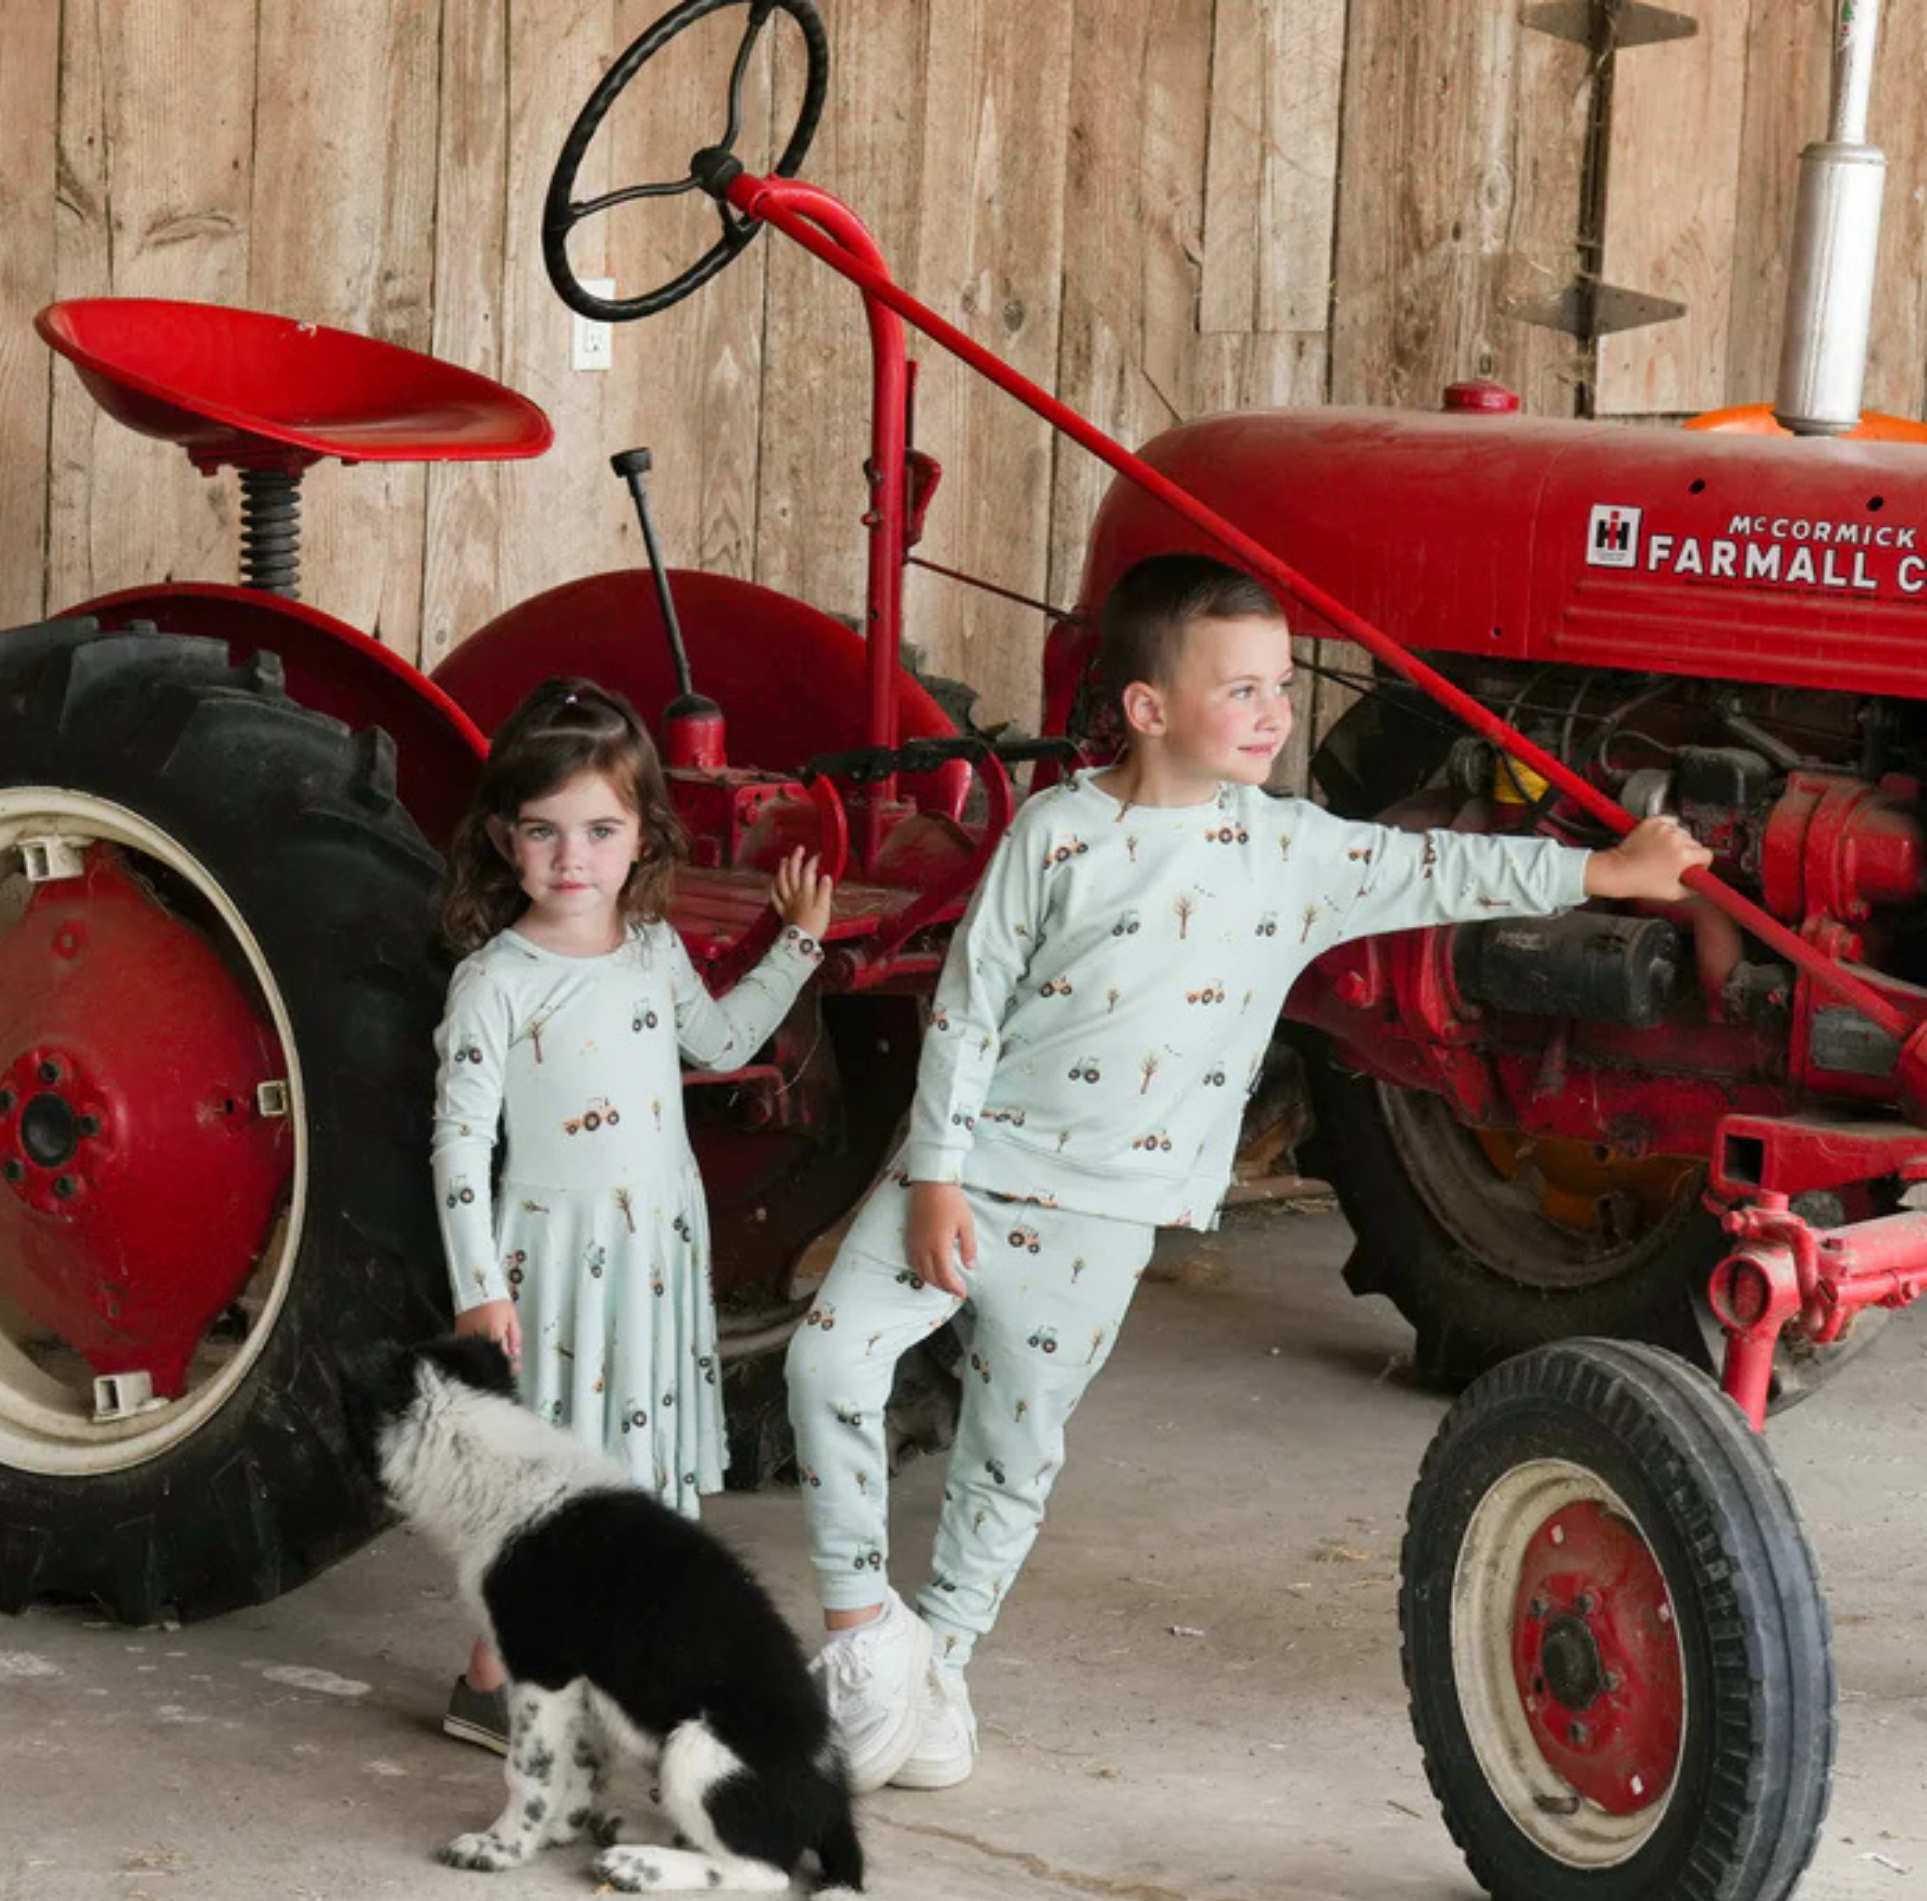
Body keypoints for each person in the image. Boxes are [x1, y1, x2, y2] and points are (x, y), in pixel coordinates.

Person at [785, 552, 1712, 1792]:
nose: (1275, 713)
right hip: (967, 1174)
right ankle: (861, 1639)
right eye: (1243, 689)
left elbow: (1438, 872)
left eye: (1280, 686)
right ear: (1147, 707)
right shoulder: (1056, 832)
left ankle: (941, 1660)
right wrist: (938, 1173)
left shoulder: (1290, 850)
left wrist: (1598, 873)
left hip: (1108, 1212)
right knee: (825, 1360)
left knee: (1014, 1445)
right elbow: (965, 1007)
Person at [431, 676, 833, 1749]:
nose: (574, 857)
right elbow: (460, 1140)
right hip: (552, 1262)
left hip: (652, 1252)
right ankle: (501, 1674)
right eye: (544, 830)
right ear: (503, 840)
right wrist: (479, 1285)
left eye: (600, 828)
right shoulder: (495, 980)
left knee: (638, 1462)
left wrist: (793, 945)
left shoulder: (653, 949)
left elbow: (718, 1043)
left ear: (643, 835)